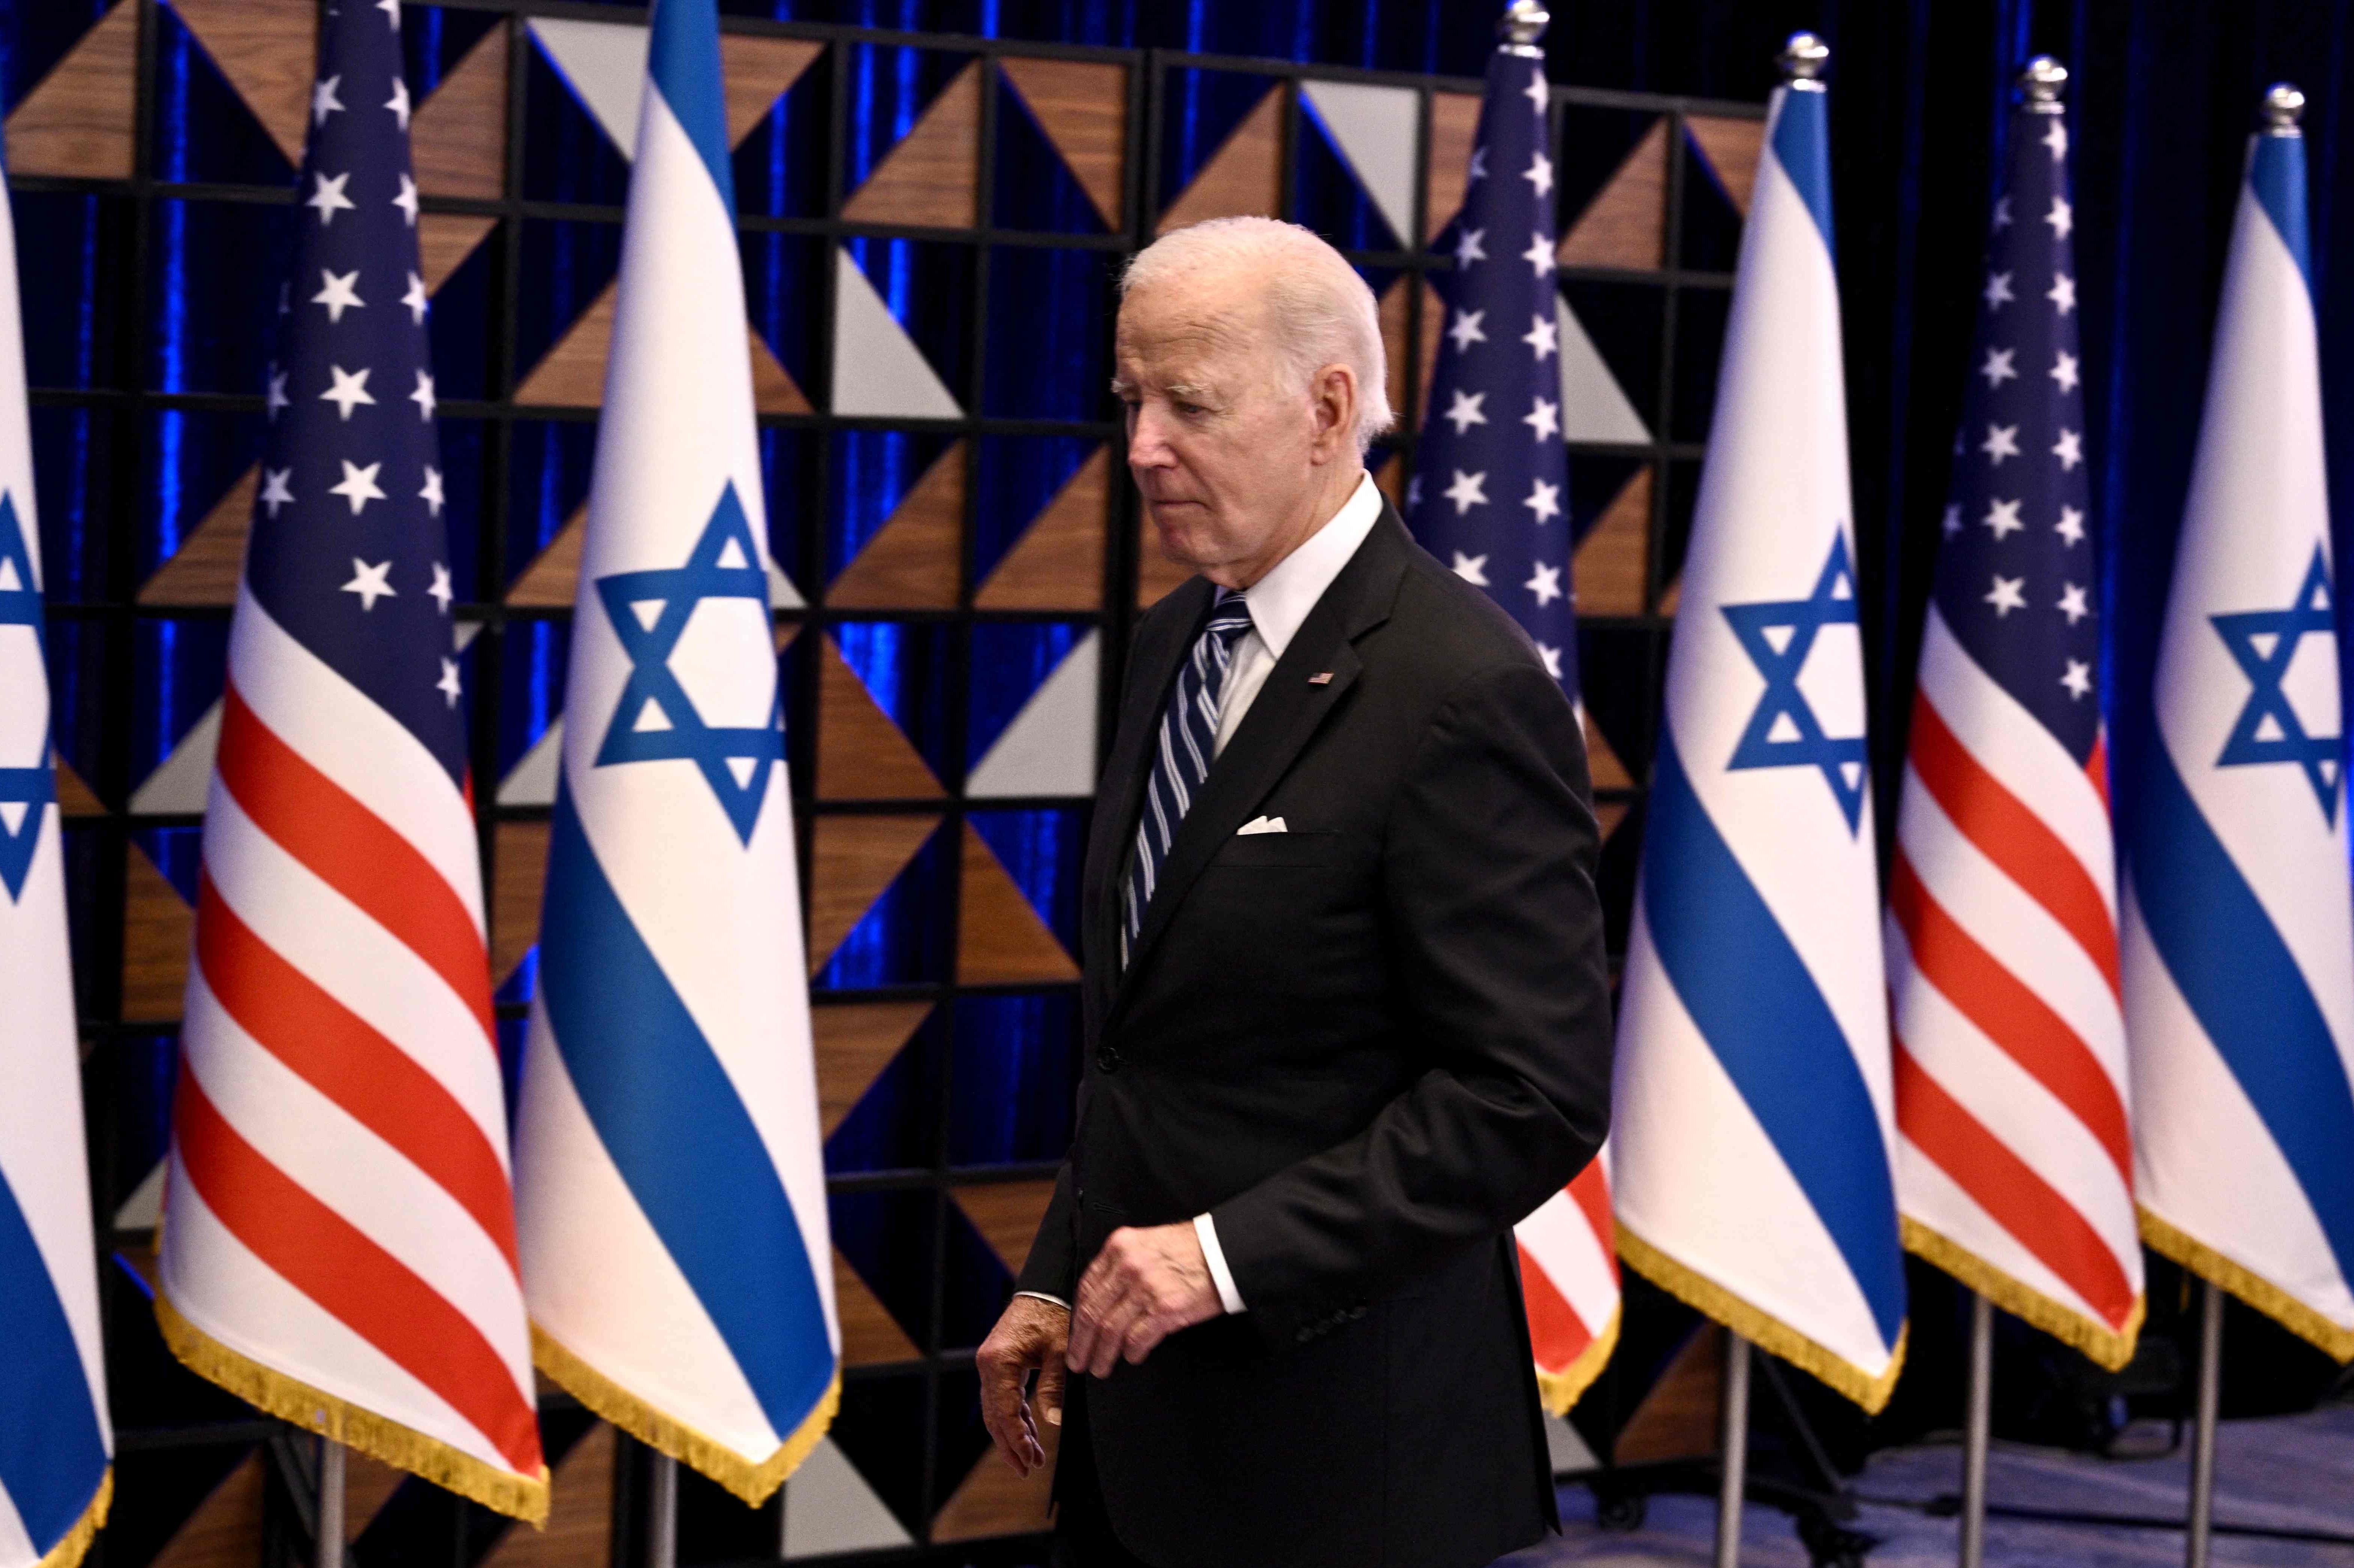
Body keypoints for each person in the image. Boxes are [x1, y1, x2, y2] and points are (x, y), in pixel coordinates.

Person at [974, 216, 1613, 1568]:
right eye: (1130, 400)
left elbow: (1529, 1092)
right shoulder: (1172, 639)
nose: (1142, 445)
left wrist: (1220, 1256)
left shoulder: (1459, 687)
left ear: (1329, 408)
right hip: (1137, 1423)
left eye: (1188, 404)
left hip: (1344, 1457)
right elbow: (1158, 1045)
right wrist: (1055, 1268)